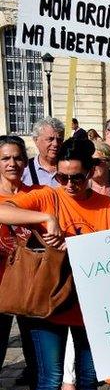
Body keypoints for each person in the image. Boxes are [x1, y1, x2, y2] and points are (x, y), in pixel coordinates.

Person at [0, 137, 110, 390]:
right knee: (50, 380)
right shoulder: (48, 196)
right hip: (47, 302)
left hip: (88, 304)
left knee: (88, 379)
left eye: (76, 178)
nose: (68, 184)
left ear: (91, 172)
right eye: (62, 177)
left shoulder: (105, 206)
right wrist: (45, 219)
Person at [0, 135, 36, 376]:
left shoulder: (37, 195)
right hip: (0, 286)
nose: (12, 163)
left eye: (17, 157)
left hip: (30, 287)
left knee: (36, 361)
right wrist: (45, 218)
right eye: (5, 158)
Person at [22, 117, 64, 187]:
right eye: (50, 139)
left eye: (59, 140)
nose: (55, 144)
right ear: (36, 140)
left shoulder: (70, 169)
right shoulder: (24, 170)